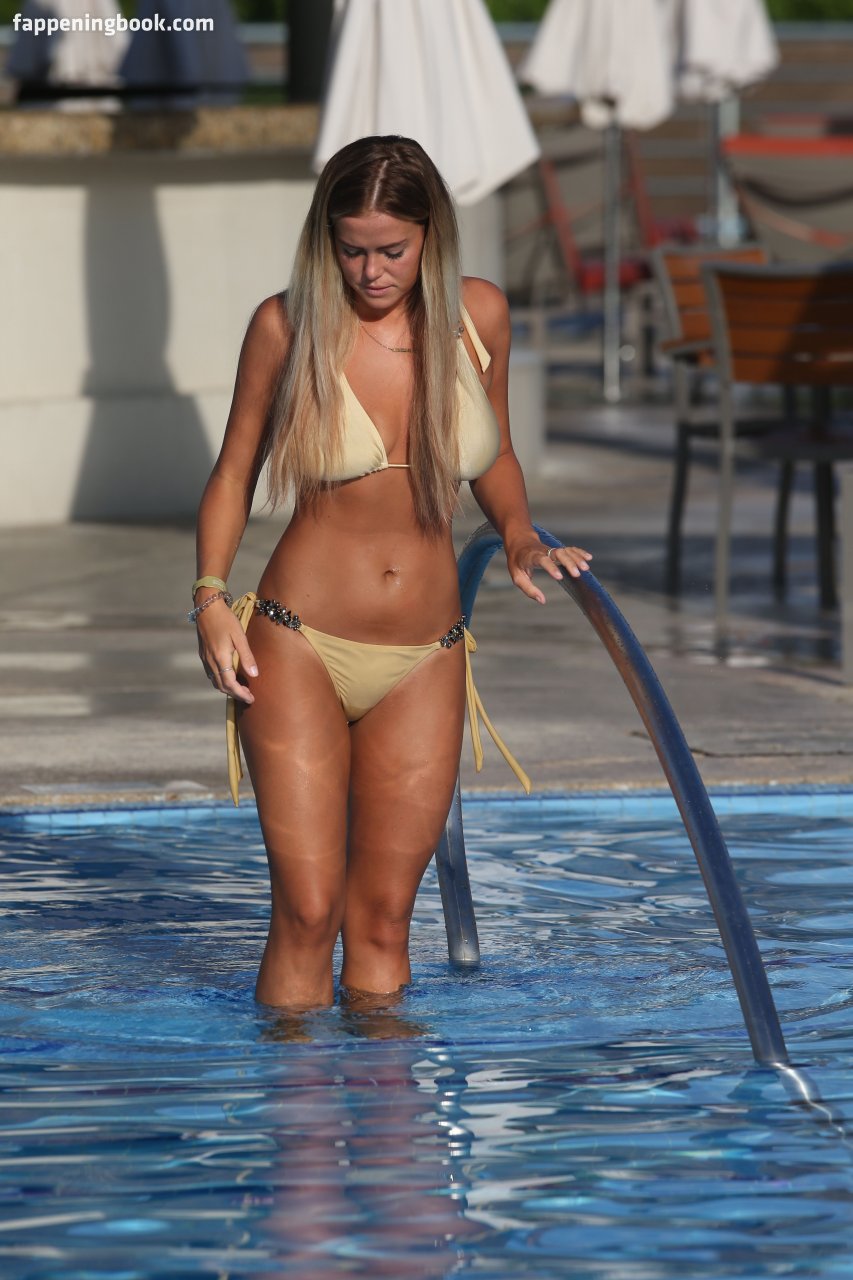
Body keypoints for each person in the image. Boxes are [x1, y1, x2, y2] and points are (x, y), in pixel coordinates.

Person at [192, 135, 591, 1011]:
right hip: (297, 640)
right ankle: (292, 1094)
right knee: (308, 911)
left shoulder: (477, 317)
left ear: (430, 236)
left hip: (426, 653)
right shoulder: (287, 326)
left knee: (382, 922)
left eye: (391, 251)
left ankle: (386, 1099)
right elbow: (233, 472)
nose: (370, 272)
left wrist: (518, 534)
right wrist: (210, 596)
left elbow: (495, 454)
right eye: (350, 250)